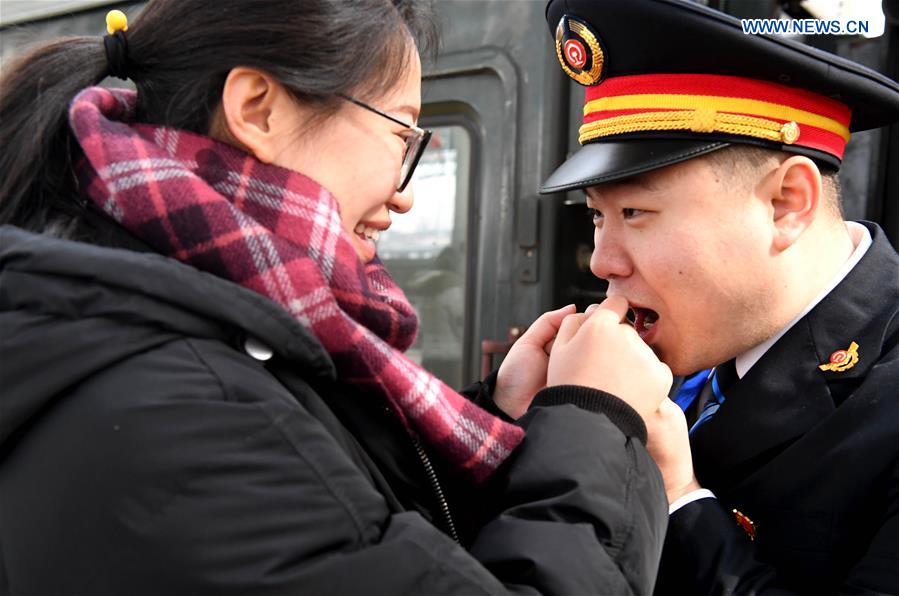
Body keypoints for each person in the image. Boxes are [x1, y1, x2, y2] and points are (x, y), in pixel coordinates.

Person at [0, 1, 673, 594]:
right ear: (257, 109)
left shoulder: (169, 324)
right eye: (400, 133)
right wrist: (596, 419)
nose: (404, 192)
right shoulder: (181, 402)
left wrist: (495, 408)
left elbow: (357, 528)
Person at [538, 0, 899, 593]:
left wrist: (680, 500)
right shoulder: (690, 350)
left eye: (636, 211)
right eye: (599, 216)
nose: (603, 260)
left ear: (787, 204)